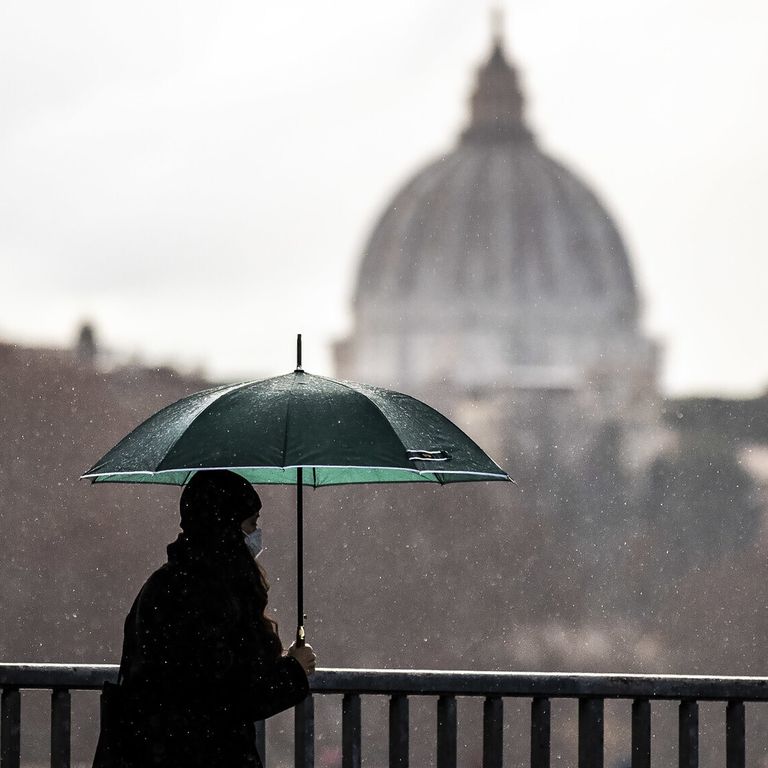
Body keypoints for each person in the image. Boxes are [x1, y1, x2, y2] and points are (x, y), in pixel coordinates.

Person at [109, 470, 316, 768]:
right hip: (206, 753)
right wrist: (293, 670)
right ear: (227, 527)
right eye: (252, 524)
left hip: (152, 752)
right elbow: (231, 693)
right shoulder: (210, 596)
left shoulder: (161, 585)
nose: (256, 535)